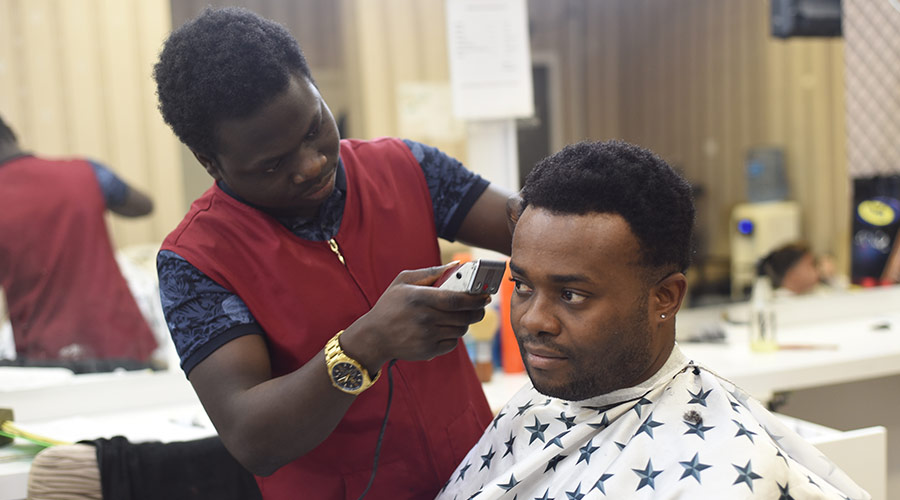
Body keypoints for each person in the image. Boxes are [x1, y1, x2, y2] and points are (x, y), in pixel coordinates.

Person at [152, 7, 513, 499]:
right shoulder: (196, 259)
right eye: (274, 164)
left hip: (479, 475)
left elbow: (530, 228)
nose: (313, 163)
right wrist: (366, 343)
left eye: (314, 127)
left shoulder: (405, 166)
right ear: (209, 161)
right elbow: (252, 436)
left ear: (315, 89)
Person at [437, 140, 869, 500]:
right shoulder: (537, 409)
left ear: (665, 297)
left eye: (571, 294)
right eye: (524, 286)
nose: (533, 321)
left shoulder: (729, 475)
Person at [0, 114, 158, 372]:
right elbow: (143, 206)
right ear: (11, 134)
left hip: (46, 362)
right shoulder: (87, 172)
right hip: (120, 345)